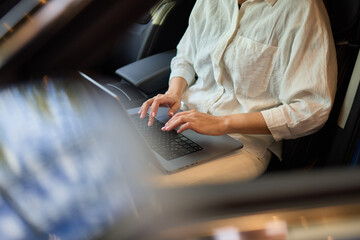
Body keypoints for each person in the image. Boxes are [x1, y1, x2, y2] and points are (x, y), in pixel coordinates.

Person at [139, 0, 337, 186]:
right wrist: (174, 92)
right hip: (183, 117)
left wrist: (222, 123)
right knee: (119, 154)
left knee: (148, 186)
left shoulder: (301, 9)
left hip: (242, 142)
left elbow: (311, 109)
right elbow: (185, 57)